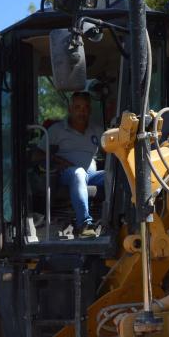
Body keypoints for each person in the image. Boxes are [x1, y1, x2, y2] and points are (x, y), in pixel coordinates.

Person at [44, 92, 105, 238]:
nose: (81, 111)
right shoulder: (56, 130)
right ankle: (84, 224)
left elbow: (110, 148)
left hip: (91, 176)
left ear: (90, 110)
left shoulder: (96, 129)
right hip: (67, 174)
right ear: (70, 109)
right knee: (79, 173)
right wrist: (60, 161)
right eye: (77, 107)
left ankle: (113, 221)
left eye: (85, 108)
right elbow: (38, 154)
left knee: (114, 174)